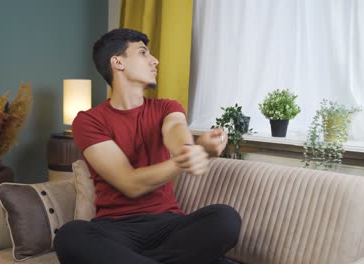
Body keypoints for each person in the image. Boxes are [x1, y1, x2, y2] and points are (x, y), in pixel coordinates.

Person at [53, 28, 242, 264]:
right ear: (117, 62)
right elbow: (130, 184)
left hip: (169, 226)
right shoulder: (89, 121)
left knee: (225, 218)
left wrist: (192, 150)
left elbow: (175, 132)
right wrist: (186, 157)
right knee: (70, 236)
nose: (155, 61)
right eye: (143, 53)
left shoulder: (167, 107)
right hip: (115, 230)